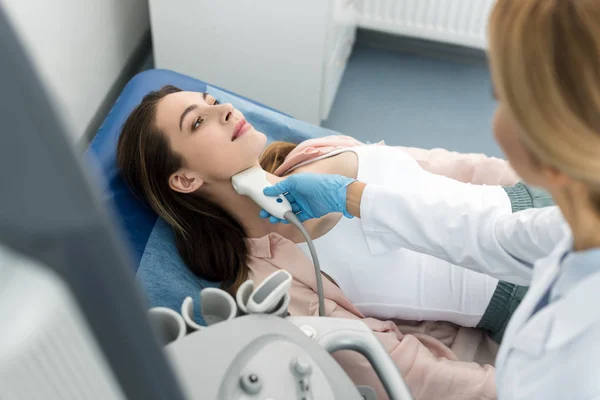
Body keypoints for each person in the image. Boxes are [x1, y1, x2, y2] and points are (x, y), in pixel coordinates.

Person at [261, 0, 600, 398]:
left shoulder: (579, 361)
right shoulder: (566, 226)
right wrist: (348, 196)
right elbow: (485, 235)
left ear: (555, 145)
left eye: (502, 98)